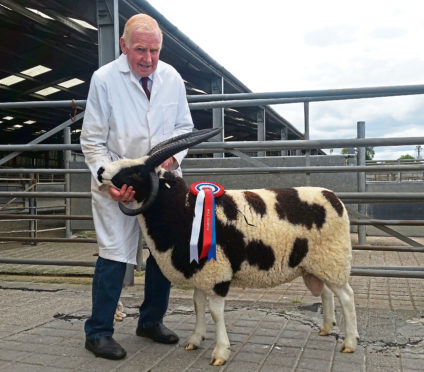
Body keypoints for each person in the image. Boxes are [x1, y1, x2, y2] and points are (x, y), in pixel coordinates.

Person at [80, 14, 194, 360]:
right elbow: (92, 141)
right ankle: (98, 332)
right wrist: (109, 180)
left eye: (154, 50)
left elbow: (183, 128)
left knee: (161, 252)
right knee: (114, 253)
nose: (147, 58)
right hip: (121, 180)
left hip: (161, 181)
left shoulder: (172, 78)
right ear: (123, 45)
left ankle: (151, 321)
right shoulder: (104, 79)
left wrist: (173, 160)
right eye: (140, 50)